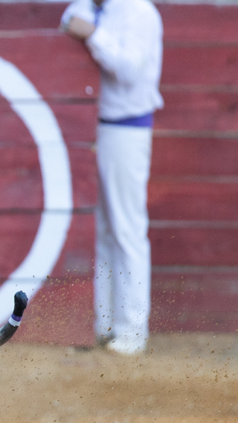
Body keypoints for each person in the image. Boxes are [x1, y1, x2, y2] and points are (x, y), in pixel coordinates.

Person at [61, 0, 163, 355]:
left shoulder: (140, 12)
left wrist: (94, 34)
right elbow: (69, 18)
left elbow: (129, 69)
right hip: (98, 127)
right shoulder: (95, 6)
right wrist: (88, 26)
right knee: (104, 228)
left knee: (126, 229)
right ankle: (104, 324)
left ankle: (132, 330)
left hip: (127, 129)